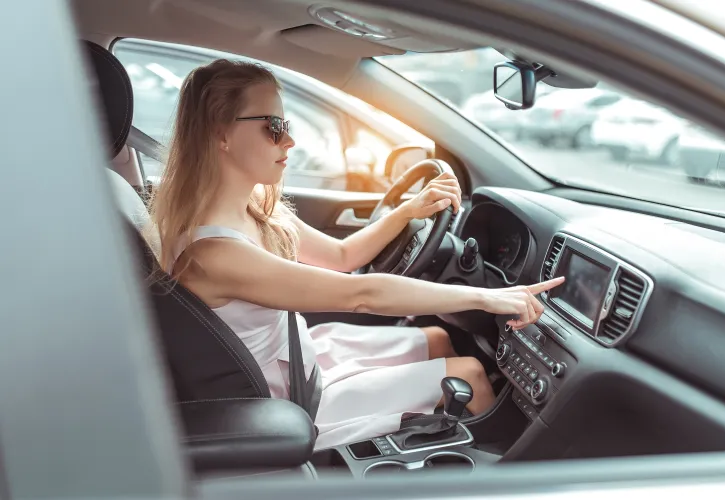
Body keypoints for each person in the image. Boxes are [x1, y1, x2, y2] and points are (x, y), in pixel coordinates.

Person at [149, 59, 564, 450]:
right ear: (220, 134)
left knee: (439, 337)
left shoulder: (257, 206)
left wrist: (406, 211)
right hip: (293, 399)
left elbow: (343, 255)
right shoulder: (214, 254)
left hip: (302, 353)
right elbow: (359, 294)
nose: (289, 139)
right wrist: (485, 297)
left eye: (286, 124)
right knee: (469, 374)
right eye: (273, 126)